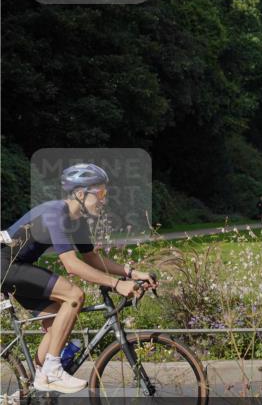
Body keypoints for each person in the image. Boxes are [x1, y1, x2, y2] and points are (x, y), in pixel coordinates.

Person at [0, 163, 157, 393]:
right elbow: (72, 265)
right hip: (6, 266)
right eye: (101, 194)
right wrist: (116, 284)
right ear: (81, 194)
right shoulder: (56, 214)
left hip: (16, 266)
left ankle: (31, 390)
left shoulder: (77, 219)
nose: (104, 200)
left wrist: (131, 273)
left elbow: (91, 258)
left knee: (57, 323)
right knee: (74, 296)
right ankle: (52, 372)